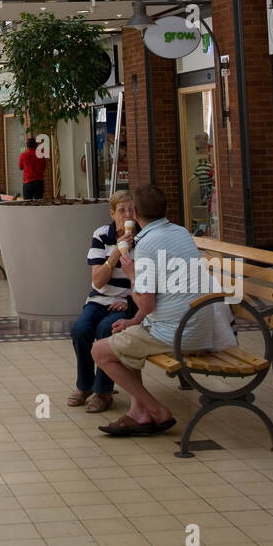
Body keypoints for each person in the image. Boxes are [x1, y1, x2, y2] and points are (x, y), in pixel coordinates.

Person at [91, 184, 216, 436]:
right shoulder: (181, 232)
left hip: (179, 334)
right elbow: (154, 303)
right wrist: (133, 320)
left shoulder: (146, 245)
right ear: (165, 209)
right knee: (130, 335)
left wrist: (131, 274)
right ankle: (138, 413)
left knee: (100, 351)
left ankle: (156, 411)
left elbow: (146, 303)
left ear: (135, 214)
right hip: (200, 327)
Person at [68, 191, 139, 414]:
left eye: (131, 210)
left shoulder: (143, 238)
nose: (127, 215)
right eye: (122, 211)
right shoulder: (102, 235)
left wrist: (129, 301)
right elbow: (97, 281)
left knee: (106, 328)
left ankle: (103, 391)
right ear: (112, 213)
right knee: (80, 329)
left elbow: (146, 280)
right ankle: (85, 386)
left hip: (128, 302)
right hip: (99, 298)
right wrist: (116, 254)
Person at [18, 137, 47, 201]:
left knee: (27, 204)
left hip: (28, 182)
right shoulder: (41, 155)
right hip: (39, 182)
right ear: (35, 145)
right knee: (39, 203)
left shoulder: (23, 155)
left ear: (27, 145)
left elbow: (20, 167)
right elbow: (44, 168)